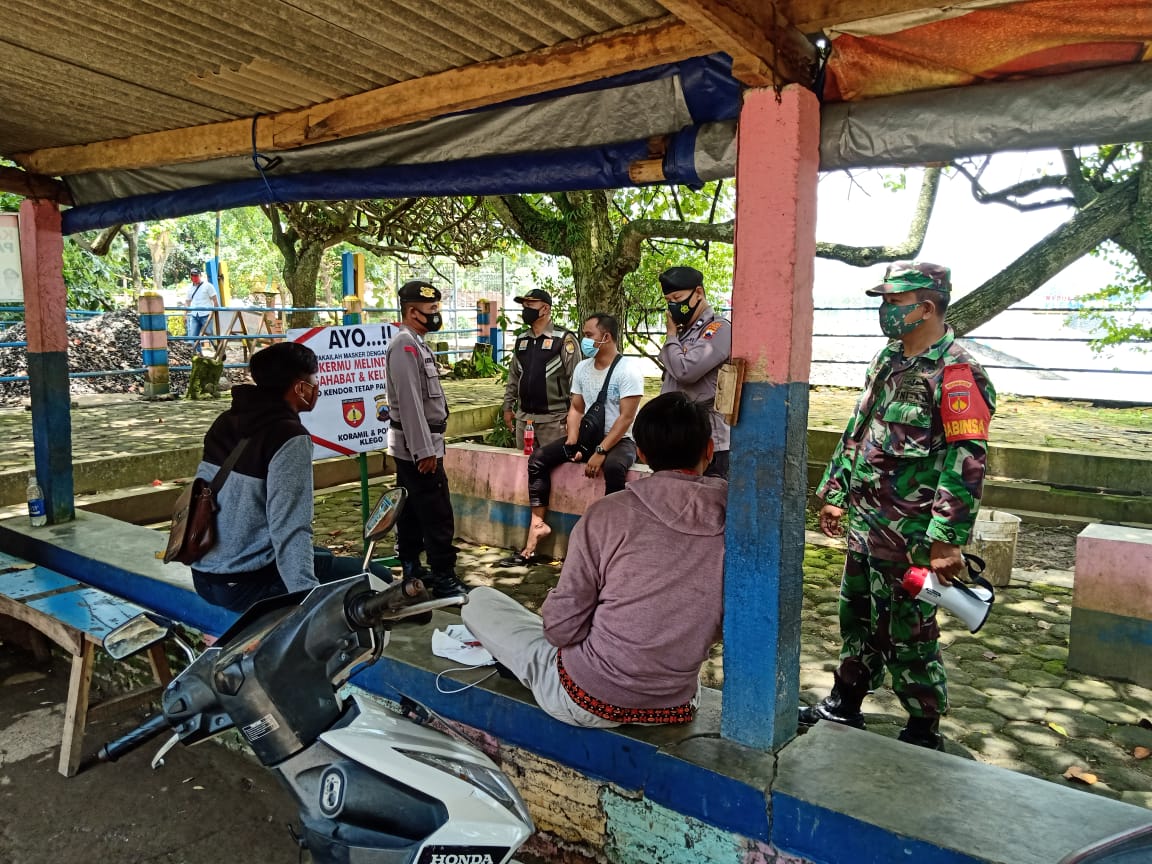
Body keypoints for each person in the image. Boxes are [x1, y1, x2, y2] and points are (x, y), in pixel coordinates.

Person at [800, 261, 996, 751]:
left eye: (894, 302)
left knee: (908, 632)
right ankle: (846, 702)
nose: (884, 311)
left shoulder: (956, 373)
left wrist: (947, 540)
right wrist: (838, 493)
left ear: (926, 307)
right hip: (867, 526)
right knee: (857, 617)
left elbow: (966, 459)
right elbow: (860, 429)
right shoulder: (888, 359)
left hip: (912, 537)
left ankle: (922, 727)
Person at [463, 392, 726, 728]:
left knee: (479, 601)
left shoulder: (607, 514)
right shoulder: (737, 519)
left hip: (585, 697)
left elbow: (560, 630)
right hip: (674, 703)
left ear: (641, 453)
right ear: (709, 449)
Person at [190, 342, 390, 612]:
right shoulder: (289, 438)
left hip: (204, 574)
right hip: (246, 582)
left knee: (324, 556)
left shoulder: (226, 421)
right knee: (380, 579)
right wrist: (305, 601)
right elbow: (291, 528)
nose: (317, 387)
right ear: (299, 388)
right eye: (314, 380)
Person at [501, 313, 643, 566]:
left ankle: (614, 541)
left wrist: (600, 450)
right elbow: (576, 408)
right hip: (588, 437)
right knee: (538, 460)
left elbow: (626, 418)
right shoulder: (582, 368)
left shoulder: (627, 370)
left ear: (606, 337)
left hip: (619, 440)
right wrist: (573, 439)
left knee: (614, 467)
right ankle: (537, 530)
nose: (583, 340)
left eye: (589, 335)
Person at [385, 279, 469, 599]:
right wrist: (423, 451)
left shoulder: (416, 344)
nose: (436, 314)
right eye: (431, 309)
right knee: (436, 512)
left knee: (411, 508)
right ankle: (443, 576)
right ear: (411, 311)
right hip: (417, 446)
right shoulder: (404, 346)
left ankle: (411, 568)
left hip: (417, 443)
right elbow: (410, 404)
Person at [658, 266, 733, 479]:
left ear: (698, 293)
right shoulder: (685, 334)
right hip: (680, 440)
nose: (673, 306)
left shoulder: (717, 329)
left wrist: (671, 336)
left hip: (709, 445)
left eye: (677, 297)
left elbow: (685, 370)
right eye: (668, 301)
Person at [502, 288, 580, 451]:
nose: (525, 310)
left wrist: (574, 419)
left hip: (555, 421)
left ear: (545, 309)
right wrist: (508, 407)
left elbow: (576, 381)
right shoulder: (522, 340)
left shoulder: (563, 339)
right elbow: (514, 377)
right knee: (523, 470)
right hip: (524, 420)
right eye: (524, 306)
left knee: (555, 470)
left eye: (530, 305)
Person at [183, 267, 219, 356]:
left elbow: (215, 301)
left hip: (206, 315)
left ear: (200, 276)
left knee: (211, 335)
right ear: (191, 277)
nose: (195, 277)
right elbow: (187, 301)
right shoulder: (190, 288)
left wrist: (214, 312)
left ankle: (219, 352)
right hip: (195, 315)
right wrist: (185, 314)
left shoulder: (208, 286)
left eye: (196, 275)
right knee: (194, 336)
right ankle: (199, 355)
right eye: (193, 276)